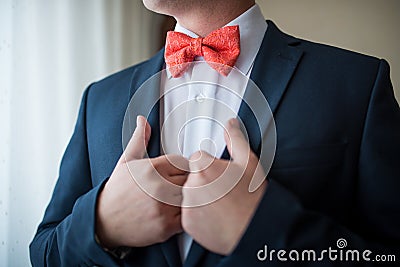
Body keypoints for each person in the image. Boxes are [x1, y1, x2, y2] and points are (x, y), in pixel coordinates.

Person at [30, 0, 400, 266]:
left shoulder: (356, 84)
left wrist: (264, 230)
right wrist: (101, 226)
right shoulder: (99, 98)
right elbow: (43, 252)